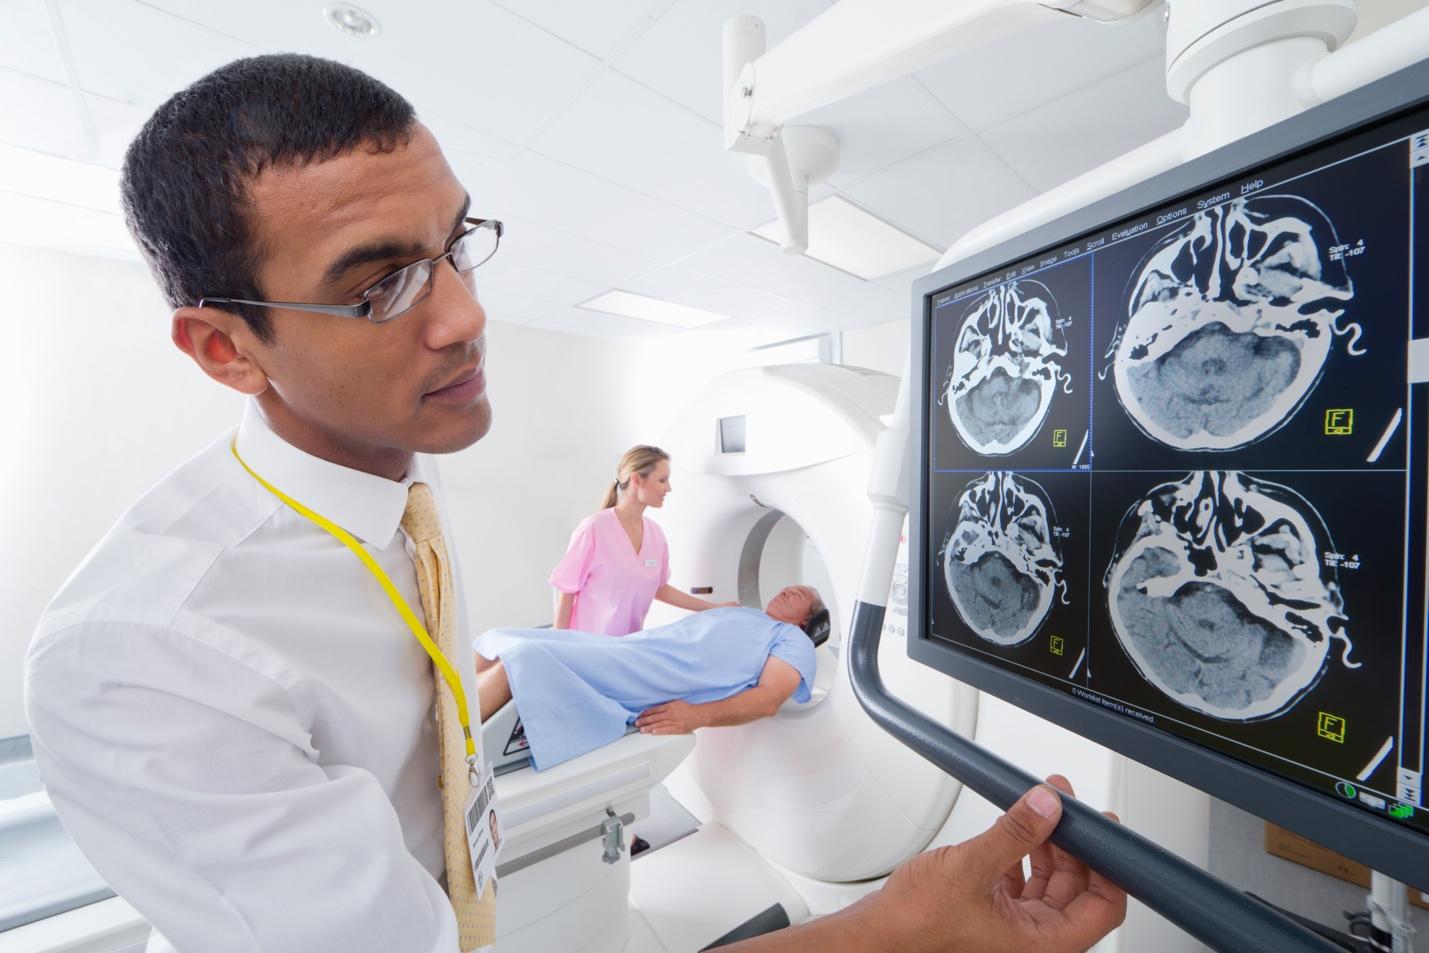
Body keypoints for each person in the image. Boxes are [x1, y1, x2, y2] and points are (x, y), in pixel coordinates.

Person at [21, 53, 1126, 953]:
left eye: (454, 245)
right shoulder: (150, 658)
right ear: (227, 349)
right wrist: (891, 931)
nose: (464, 315)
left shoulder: (397, 452)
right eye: (378, 285)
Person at [473, 585, 823, 769]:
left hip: (651, 672)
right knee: (500, 637)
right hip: (634, 649)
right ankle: (436, 718)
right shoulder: (743, 614)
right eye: (789, 586)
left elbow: (768, 699)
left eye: (801, 594)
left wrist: (695, 716)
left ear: (806, 620)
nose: (789, 590)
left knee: (523, 657)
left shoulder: (792, 640)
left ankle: (450, 735)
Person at [549, 445, 733, 636]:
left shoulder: (655, 534)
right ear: (636, 479)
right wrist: (557, 645)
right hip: (588, 644)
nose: (668, 488)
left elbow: (660, 588)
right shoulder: (594, 528)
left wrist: (711, 607)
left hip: (629, 645)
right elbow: (567, 591)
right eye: (662, 480)